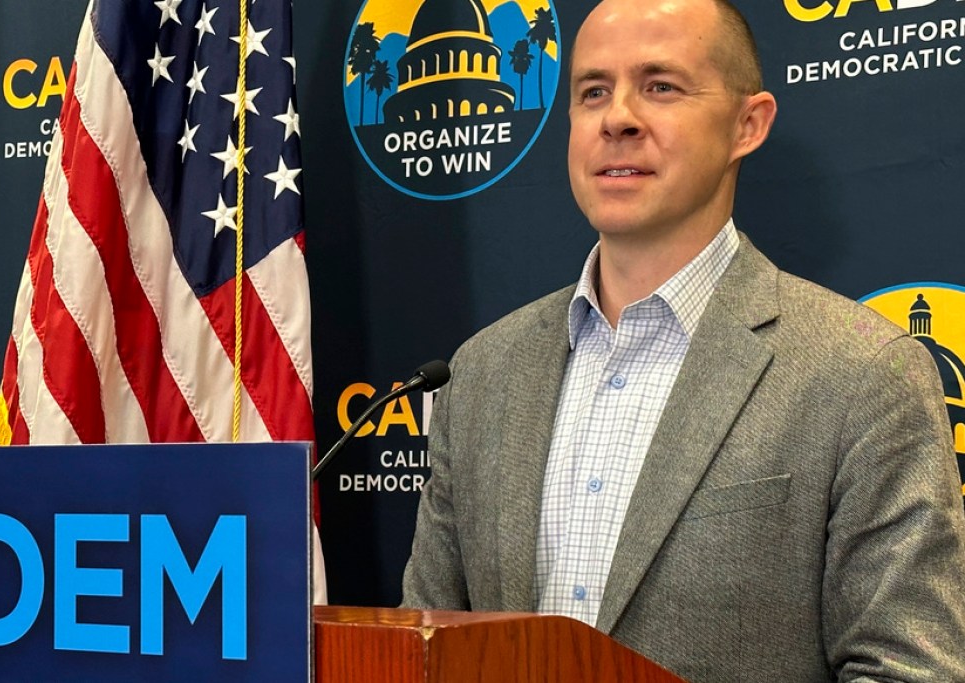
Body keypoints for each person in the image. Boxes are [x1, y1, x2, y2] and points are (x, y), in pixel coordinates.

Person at [400, 0, 965, 680]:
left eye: (661, 86)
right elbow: (420, 646)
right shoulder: (483, 371)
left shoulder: (861, 372)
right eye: (593, 92)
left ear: (747, 124)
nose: (617, 118)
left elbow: (909, 669)